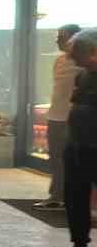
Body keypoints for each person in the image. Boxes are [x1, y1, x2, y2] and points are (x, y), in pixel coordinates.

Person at [51, 27, 97, 247]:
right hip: (78, 145)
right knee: (74, 195)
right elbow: (76, 106)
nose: (72, 58)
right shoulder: (83, 75)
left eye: (77, 53)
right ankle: (79, 245)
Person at [36, 24, 83, 211]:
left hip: (73, 118)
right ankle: (56, 195)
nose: (57, 40)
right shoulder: (59, 61)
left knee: (72, 159)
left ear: (74, 39)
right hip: (55, 116)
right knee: (55, 157)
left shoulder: (83, 63)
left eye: (61, 37)